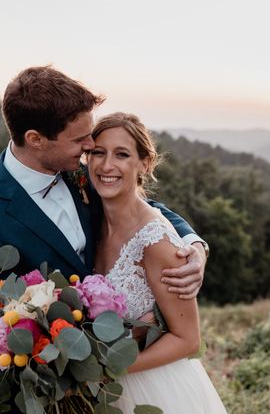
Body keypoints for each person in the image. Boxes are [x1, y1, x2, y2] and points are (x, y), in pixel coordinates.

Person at [0, 66, 207, 308]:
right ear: (35, 139)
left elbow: (138, 209)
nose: (90, 145)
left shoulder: (76, 170)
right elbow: (5, 323)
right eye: (79, 139)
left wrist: (193, 244)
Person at [88, 112, 226, 413]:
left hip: (154, 389)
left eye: (121, 154)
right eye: (98, 153)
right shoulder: (91, 217)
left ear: (144, 164)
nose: (106, 165)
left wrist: (112, 369)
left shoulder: (157, 241)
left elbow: (187, 339)